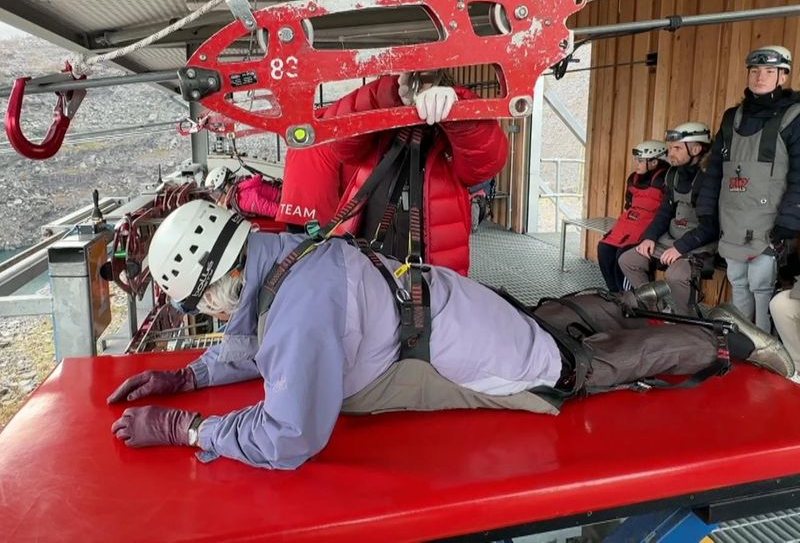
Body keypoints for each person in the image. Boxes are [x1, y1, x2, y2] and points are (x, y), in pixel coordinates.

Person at [108, 201, 794, 470]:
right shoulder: (279, 253)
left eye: (207, 303)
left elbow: (290, 436)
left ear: (220, 278)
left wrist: (189, 430)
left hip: (478, 352)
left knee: (573, 372)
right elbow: (250, 330)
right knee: (550, 323)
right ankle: (634, 298)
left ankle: (719, 339)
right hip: (451, 306)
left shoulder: (300, 311)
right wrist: (191, 376)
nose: (216, 315)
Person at [276, 71, 508, 275]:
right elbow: (339, 140)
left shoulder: (454, 132)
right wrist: (388, 94)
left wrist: (457, 110)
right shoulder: (378, 122)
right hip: (367, 259)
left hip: (435, 273)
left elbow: (486, 162)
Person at [696, 45, 800, 331]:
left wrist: (789, 222)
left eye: (769, 71)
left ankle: (765, 348)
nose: (759, 77)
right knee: (738, 282)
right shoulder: (732, 117)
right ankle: (742, 342)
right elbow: (715, 167)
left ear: (783, 77)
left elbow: (799, 175)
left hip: (768, 224)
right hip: (732, 220)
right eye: (754, 71)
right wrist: (706, 211)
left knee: (762, 286)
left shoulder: (794, 116)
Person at [618, 123, 718, 315]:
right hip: (672, 239)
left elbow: (710, 227)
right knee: (628, 259)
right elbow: (664, 212)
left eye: (677, 148)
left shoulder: (708, 179)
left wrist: (680, 247)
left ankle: (685, 319)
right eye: (670, 147)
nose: (670, 153)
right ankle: (657, 309)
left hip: (697, 246)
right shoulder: (673, 175)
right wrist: (649, 237)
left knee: (675, 275)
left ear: (696, 149)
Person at [597, 140, 669, 292]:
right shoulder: (634, 178)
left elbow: (667, 212)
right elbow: (629, 205)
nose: (636, 164)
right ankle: (615, 293)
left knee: (622, 255)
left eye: (641, 160)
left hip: (651, 229)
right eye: (636, 160)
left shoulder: (666, 180)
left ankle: (628, 296)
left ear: (655, 161)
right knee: (604, 248)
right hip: (631, 223)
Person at [205, 165, 282, 219]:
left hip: (283, 199)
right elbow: (272, 209)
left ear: (224, 187)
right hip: (283, 198)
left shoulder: (242, 194)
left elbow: (273, 209)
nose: (217, 200)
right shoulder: (242, 193)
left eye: (217, 194)